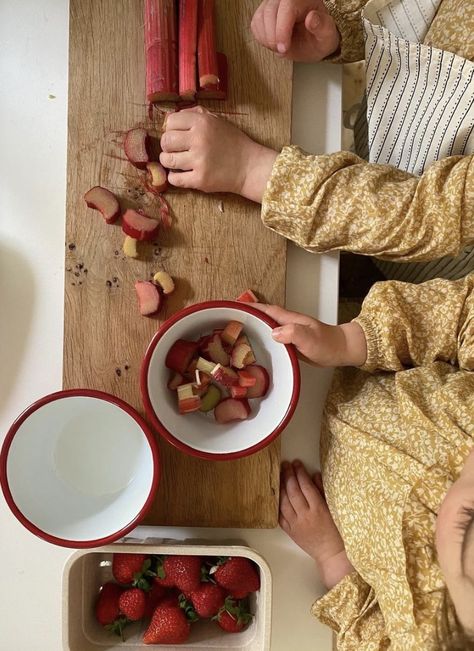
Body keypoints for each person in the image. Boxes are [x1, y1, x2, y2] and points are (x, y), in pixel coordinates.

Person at [159, 0, 474, 279]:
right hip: (386, 136)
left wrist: (251, 169)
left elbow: (423, 217)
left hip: (439, 265)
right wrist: (338, 27)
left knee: (379, 275)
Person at [255, 274, 474, 649]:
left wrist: (333, 557)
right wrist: (349, 341)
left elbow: (373, 638)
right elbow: (459, 313)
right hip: (352, 347)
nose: (437, 521)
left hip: (301, 455)